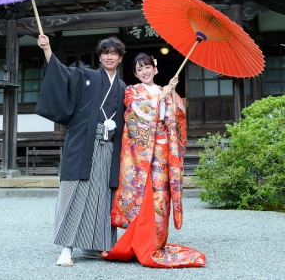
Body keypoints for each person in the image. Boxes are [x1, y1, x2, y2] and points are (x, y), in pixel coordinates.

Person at [106, 52, 206, 268]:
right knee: (143, 196)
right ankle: (137, 242)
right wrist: (158, 100)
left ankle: (156, 243)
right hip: (141, 155)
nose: (144, 71)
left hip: (162, 152)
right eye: (139, 69)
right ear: (135, 73)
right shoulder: (132, 91)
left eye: (147, 67)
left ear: (155, 68)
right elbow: (134, 114)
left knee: (161, 198)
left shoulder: (165, 90)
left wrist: (171, 96)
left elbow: (177, 118)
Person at [35, 33, 126, 267]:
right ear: (100, 56)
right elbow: (61, 74)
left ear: (120, 58)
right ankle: (66, 248)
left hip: (108, 148)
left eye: (114, 53)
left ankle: (94, 245)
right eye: (105, 52)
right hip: (85, 143)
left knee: (101, 196)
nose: (109, 56)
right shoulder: (86, 76)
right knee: (76, 192)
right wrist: (47, 50)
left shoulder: (124, 87)